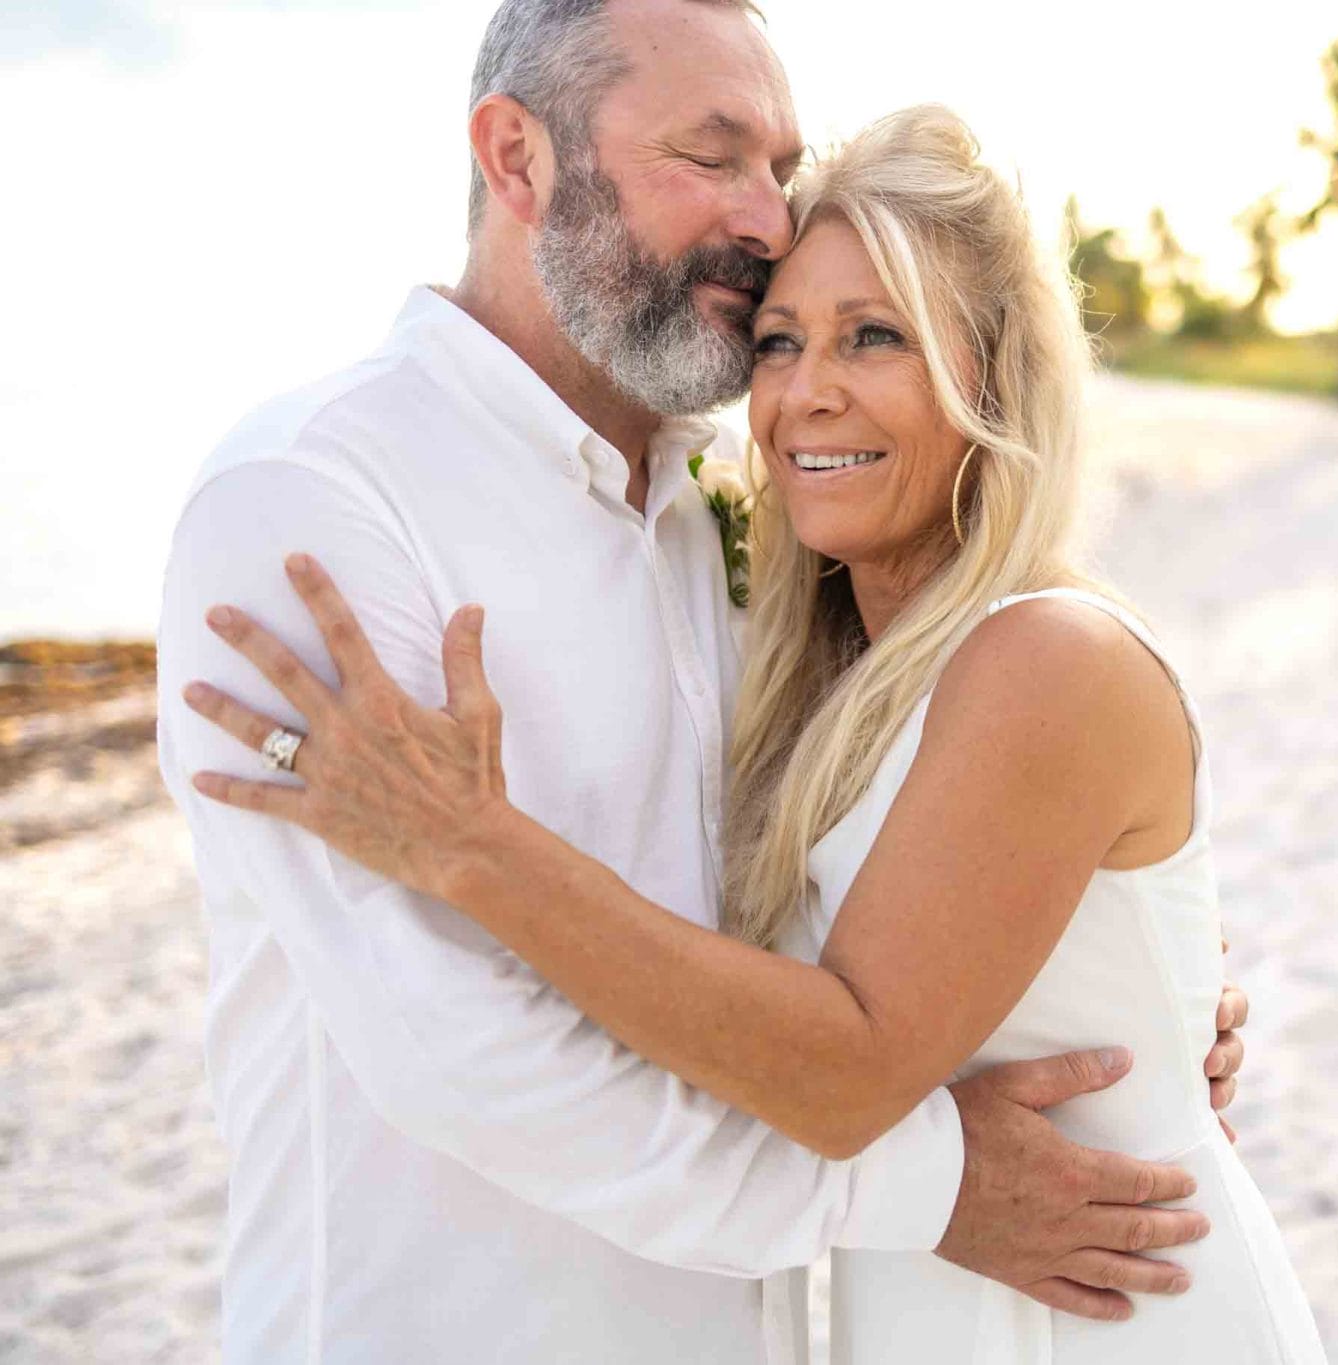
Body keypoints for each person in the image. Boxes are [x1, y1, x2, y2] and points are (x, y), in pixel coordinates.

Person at [154, 3, 1246, 1361]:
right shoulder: (315, 500)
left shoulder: (730, 531)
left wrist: (1120, 992)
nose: (768, 218)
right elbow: (458, 1050)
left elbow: (897, 878)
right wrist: (926, 1182)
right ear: (518, 157)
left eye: (778, 168)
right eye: (712, 155)